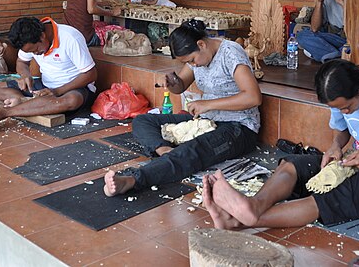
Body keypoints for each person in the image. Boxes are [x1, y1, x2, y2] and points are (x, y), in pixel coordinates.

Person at [203, 59, 359, 230]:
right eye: (337, 108)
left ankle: (240, 220)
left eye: (346, 107)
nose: (344, 112)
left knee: (331, 200)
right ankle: (254, 205)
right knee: (293, 165)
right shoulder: (342, 97)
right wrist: (335, 146)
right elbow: (341, 131)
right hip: (355, 160)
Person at [103, 19, 262, 197]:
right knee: (143, 120)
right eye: (188, 63)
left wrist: (208, 104)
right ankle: (166, 152)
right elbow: (180, 86)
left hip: (238, 127)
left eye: (192, 60)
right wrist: (171, 82)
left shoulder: (231, 53)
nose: (193, 65)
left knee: (195, 149)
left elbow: (253, 97)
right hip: (206, 121)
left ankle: (132, 180)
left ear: (201, 44)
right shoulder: (197, 56)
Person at [0, 16, 97, 131]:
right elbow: (22, 62)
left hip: (72, 88)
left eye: (35, 49)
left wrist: (57, 91)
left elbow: (90, 74)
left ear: (42, 36)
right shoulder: (28, 40)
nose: (36, 54)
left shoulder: (70, 37)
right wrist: (25, 75)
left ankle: (5, 112)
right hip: (45, 85)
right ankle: (27, 104)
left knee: (72, 100)